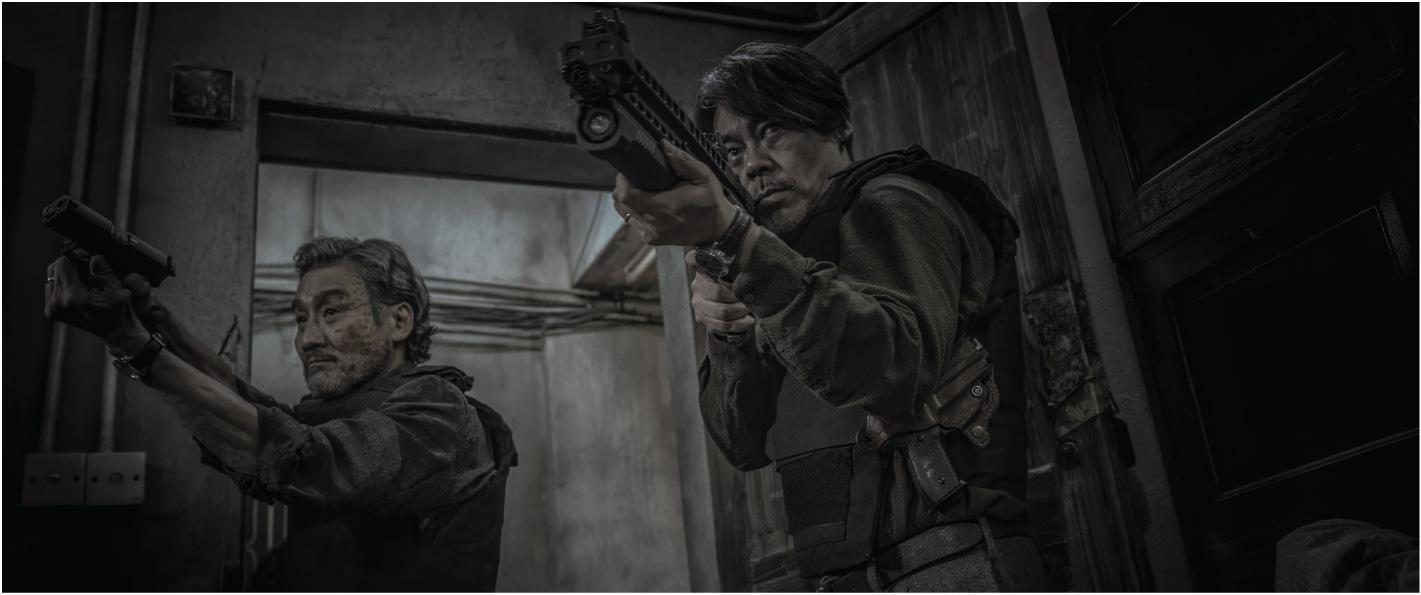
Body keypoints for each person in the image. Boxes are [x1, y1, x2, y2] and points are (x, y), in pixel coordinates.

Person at [613, 42, 1046, 591]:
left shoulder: (894, 199)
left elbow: (893, 369)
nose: (753, 164)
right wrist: (729, 332)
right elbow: (740, 443)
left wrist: (739, 242)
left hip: (952, 561)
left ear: (837, 126)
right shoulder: (786, 264)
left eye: (772, 131)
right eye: (733, 150)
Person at [44, 237, 516, 591]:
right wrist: (153, 320)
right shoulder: (337, 413)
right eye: (301, 318)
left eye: (332, 312)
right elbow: (256, 418)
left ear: (398, 321)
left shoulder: (440, 409)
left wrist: (134, 344)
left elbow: (311, 459)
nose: (307, 340)